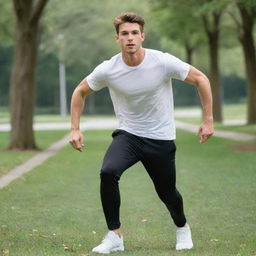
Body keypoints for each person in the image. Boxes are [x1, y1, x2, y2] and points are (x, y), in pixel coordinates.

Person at [69, 12, 214, 254]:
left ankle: (182, 227)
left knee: (167, 193)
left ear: (142, 36)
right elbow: (80, 92)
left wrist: (208, 119)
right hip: (129, 135)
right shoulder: (108, 69)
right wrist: (75, 128)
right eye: (124, 34)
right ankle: (114, 236)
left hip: (160, 137)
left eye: (134, 33)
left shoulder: (162, 61)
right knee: (108, 172)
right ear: (117, 38)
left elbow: (201, 78)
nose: (130, 38)